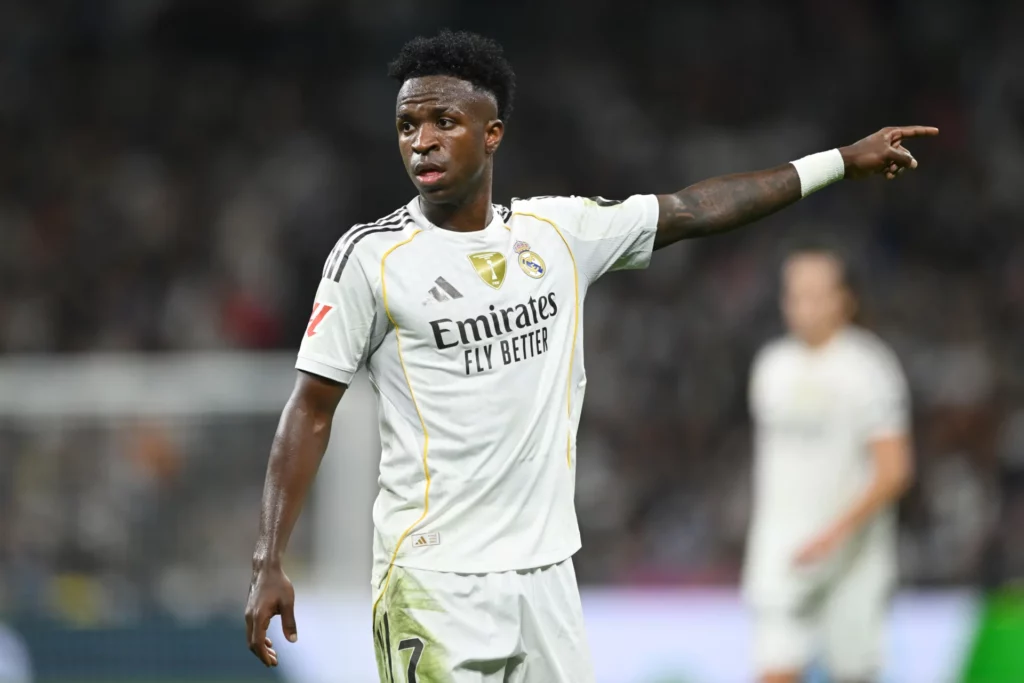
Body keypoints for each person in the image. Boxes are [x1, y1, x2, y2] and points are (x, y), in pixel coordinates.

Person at [243, 28, 936, 683]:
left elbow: (696, 208)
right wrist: (268, 557)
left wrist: (840, 161)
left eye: (443, 123)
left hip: (547, 574)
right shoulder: (370, 259)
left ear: (493, 134)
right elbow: (310, 407)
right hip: (434, 576)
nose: (422, 141)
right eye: (407, 126)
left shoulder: (559, 233)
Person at [742, 247, 914, 683]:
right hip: (782, 553)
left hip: (852, 557)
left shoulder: (869, 367)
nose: (804, 304)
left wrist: (834, 533)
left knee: (852, 674)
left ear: (845, 298)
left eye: (818, 293)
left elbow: (894, 469)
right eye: (796, 293)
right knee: (776, 670)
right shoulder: (771, 367)